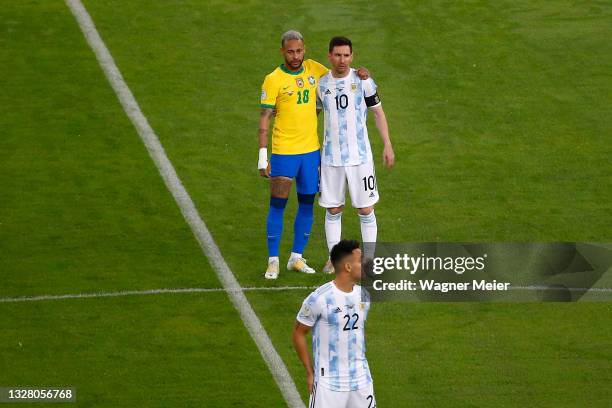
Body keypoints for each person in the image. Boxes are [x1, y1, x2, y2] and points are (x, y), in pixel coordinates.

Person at [258, 31, 369, 279]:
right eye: (290, 51)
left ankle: (296, 258)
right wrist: (262, 156)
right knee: (278, 204)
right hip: (284, 151)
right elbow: (264, 117)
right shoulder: (273, 79)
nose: (295, 56)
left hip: (311, 152)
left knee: (307, 205)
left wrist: (362, 72)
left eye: (299, 51)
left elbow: (340, 73)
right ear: (282, 51)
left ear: (304, 49)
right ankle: (273, 259)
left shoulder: (314, 69)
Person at [316, 36, 395, 274]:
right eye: (338, 55)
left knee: (365, 209)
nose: (342, 60)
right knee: (333, 209)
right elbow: (312, 116)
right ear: (329, 55)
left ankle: (369, 260)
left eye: (346, 55)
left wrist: (387, 144)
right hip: (331, 158)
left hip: (360, 158)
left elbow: (378, 113)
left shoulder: (364, 82)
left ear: (353, 56)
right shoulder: (321, 85)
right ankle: (334, 259)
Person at [293, 239, 376, 408]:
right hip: (329, 384)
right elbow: (298, 333)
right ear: (347, 267)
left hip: (361, 380)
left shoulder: (364, 295)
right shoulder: (319, 298)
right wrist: (310, 372)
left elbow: (358, 330)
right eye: (360, 261)